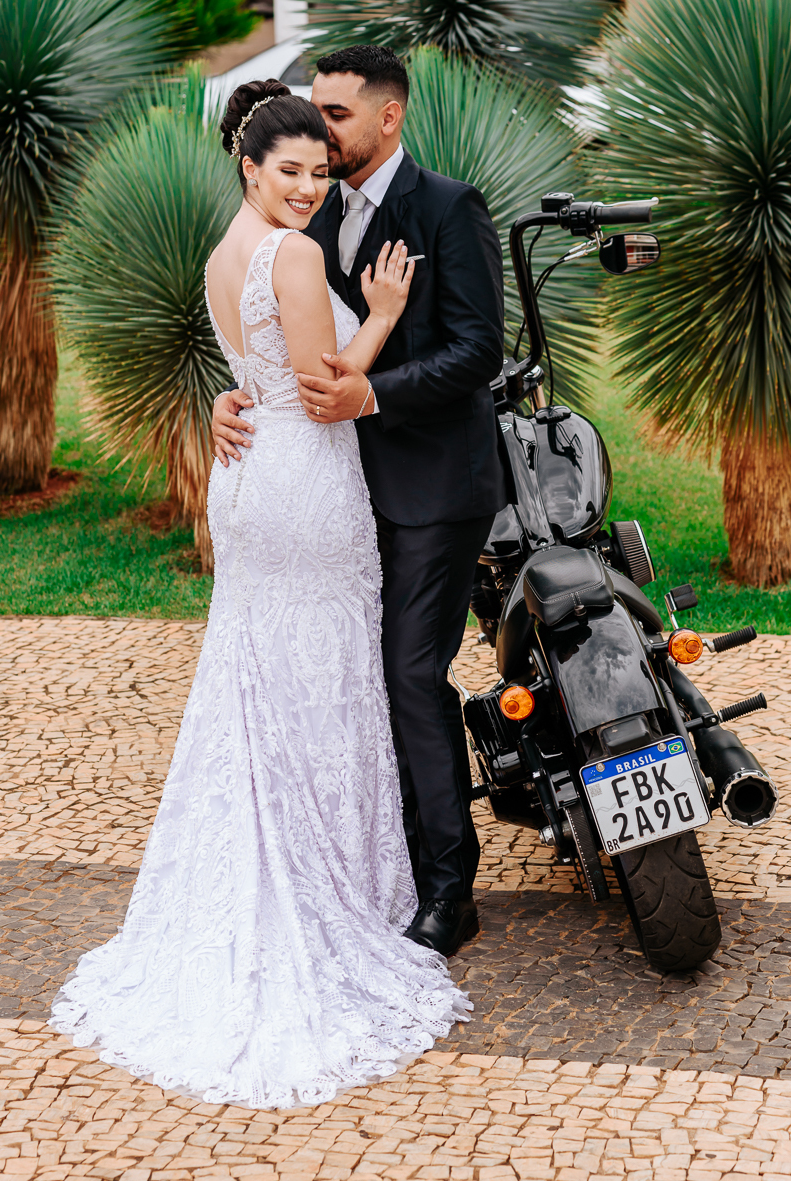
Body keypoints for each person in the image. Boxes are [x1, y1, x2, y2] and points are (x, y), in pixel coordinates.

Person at [50, 81, 471, 1110]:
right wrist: (381, 315)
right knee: (325, 677)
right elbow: (325, 387)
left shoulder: (223, 252)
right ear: (250, 167)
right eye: (291, 170)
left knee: (261, 679)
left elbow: (255, 363)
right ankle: (329, 883)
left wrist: (236, 398)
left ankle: (275, 860)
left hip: (250, 482)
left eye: (319, 172)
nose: (309, 187)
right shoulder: (291, 253)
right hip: (306, 481)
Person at [212, 46, 513, 958]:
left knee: (408, 677)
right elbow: (280, 336)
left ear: (388, 116)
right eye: (312, 114)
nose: (319, 132)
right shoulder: (309, 212)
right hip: (332, 488)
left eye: (336, 115)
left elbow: (478, 349)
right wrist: (235, 398)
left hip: (432, 488)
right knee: (351, 676)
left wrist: (369, 395)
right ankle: (371, 864)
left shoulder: (448, 207)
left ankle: (448, 888)